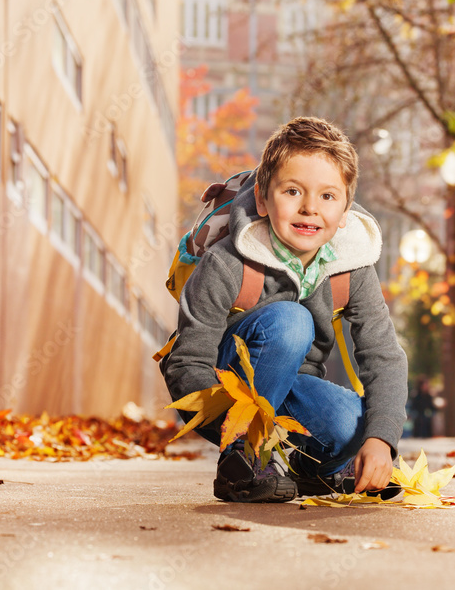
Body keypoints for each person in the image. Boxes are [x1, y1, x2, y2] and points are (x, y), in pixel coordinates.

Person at [160, 117, 408, 503]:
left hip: (290, 391)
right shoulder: (228, 263)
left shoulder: (351, 269)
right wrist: (233, 431)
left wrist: (380, 440)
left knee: (357, 424)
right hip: (223, 383)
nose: (310, 208)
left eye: (328, 197)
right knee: (291, 320)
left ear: (345, 211)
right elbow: (186, 363)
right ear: (262, 199)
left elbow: (383, 356)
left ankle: (315, 471)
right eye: (292, 191)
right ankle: (244, 463)